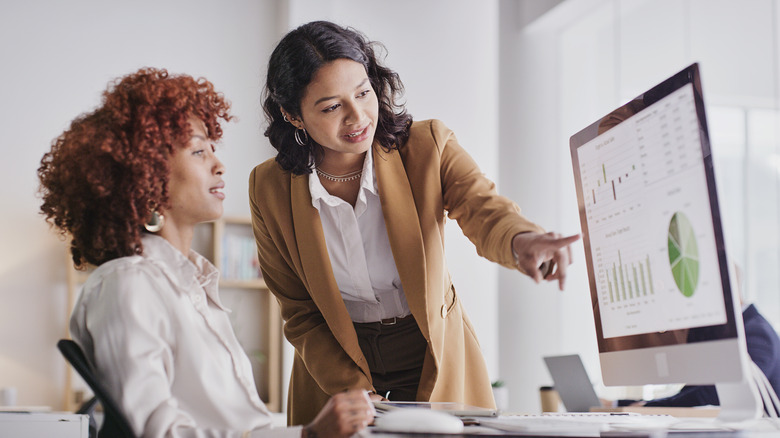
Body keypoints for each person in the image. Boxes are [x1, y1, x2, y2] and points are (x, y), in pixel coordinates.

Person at [249, 20, 580, 425]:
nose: (357, 117)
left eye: (363, 93)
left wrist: (521, 239)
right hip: (334, 362)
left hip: (430, 352)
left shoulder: (427, 146)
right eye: (332, 107)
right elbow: (299, 310)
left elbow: (482, 208)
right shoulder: (269, 187)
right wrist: (349, 386)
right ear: (293, 115)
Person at [38, 67, 374, 438]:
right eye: (199, 151)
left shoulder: (188, 283)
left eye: (213, 149)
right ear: (145, 176)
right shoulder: (128, 284)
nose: (219, 165)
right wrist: (308, 435)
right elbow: (156, 432)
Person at [612, 303, 780, 408]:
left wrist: (650, 406)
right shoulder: (726, 330)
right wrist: (624, 404)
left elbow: (719, 391)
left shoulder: (756, 331)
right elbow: (691, 391)